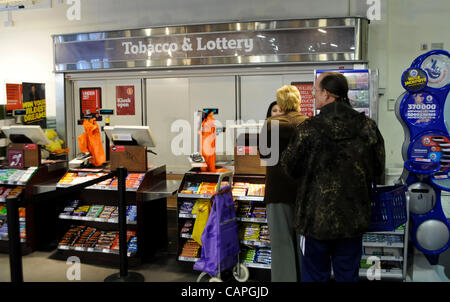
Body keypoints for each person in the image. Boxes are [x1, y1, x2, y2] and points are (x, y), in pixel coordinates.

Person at [280, 72, 385, 282]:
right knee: (348, 275)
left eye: (316, 92)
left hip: (314, 220)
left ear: (327, 95)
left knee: (315, 275)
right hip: (353, 219)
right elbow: (378, 168)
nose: (314, 96)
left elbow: (289, 167)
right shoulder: (368, 127)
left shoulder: (308, 129)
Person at [260, 85, 308, 282]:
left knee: (281, 242)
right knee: (302, 242)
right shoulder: (308, 123)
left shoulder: (271, 124)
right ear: (298, 101)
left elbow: (264, 155)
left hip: (278, 190)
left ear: (280, 103)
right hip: (304, 190)